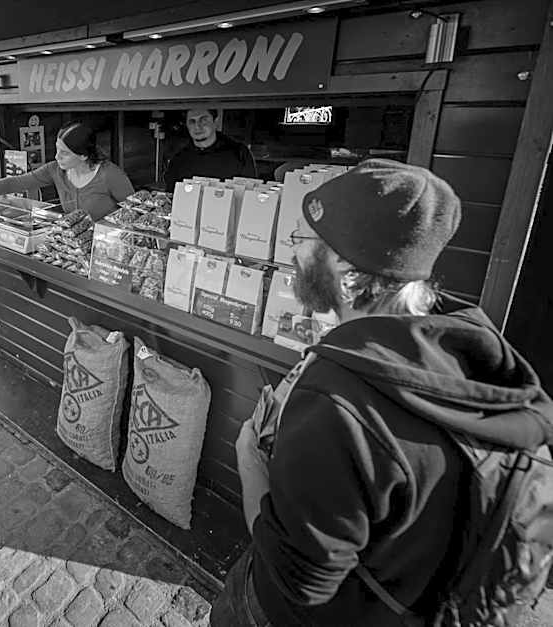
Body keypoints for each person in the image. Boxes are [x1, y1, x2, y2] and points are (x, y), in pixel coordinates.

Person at [210, 159, 553, 626]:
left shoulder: (338, 401)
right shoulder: (469, 347)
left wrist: (250, 463)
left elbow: (298, 581)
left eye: (302, 240)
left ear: (346, 270)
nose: (292, 252)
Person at [0, 122, 134, 222]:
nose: (57, 156)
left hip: (107, 251)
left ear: (83, 155)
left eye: (64, 153)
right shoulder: (55, 170)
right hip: (73, 248)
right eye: (57, 149)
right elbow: (16, 182)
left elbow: (135, 213)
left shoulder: (111, 175)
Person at [163, 108, 257, 191]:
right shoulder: (179, 159)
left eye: (203, 120)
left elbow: (249, 194)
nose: (197, 126)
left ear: (216, 122)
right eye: (192, 121)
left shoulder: (239, 153)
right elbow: (171, 195)